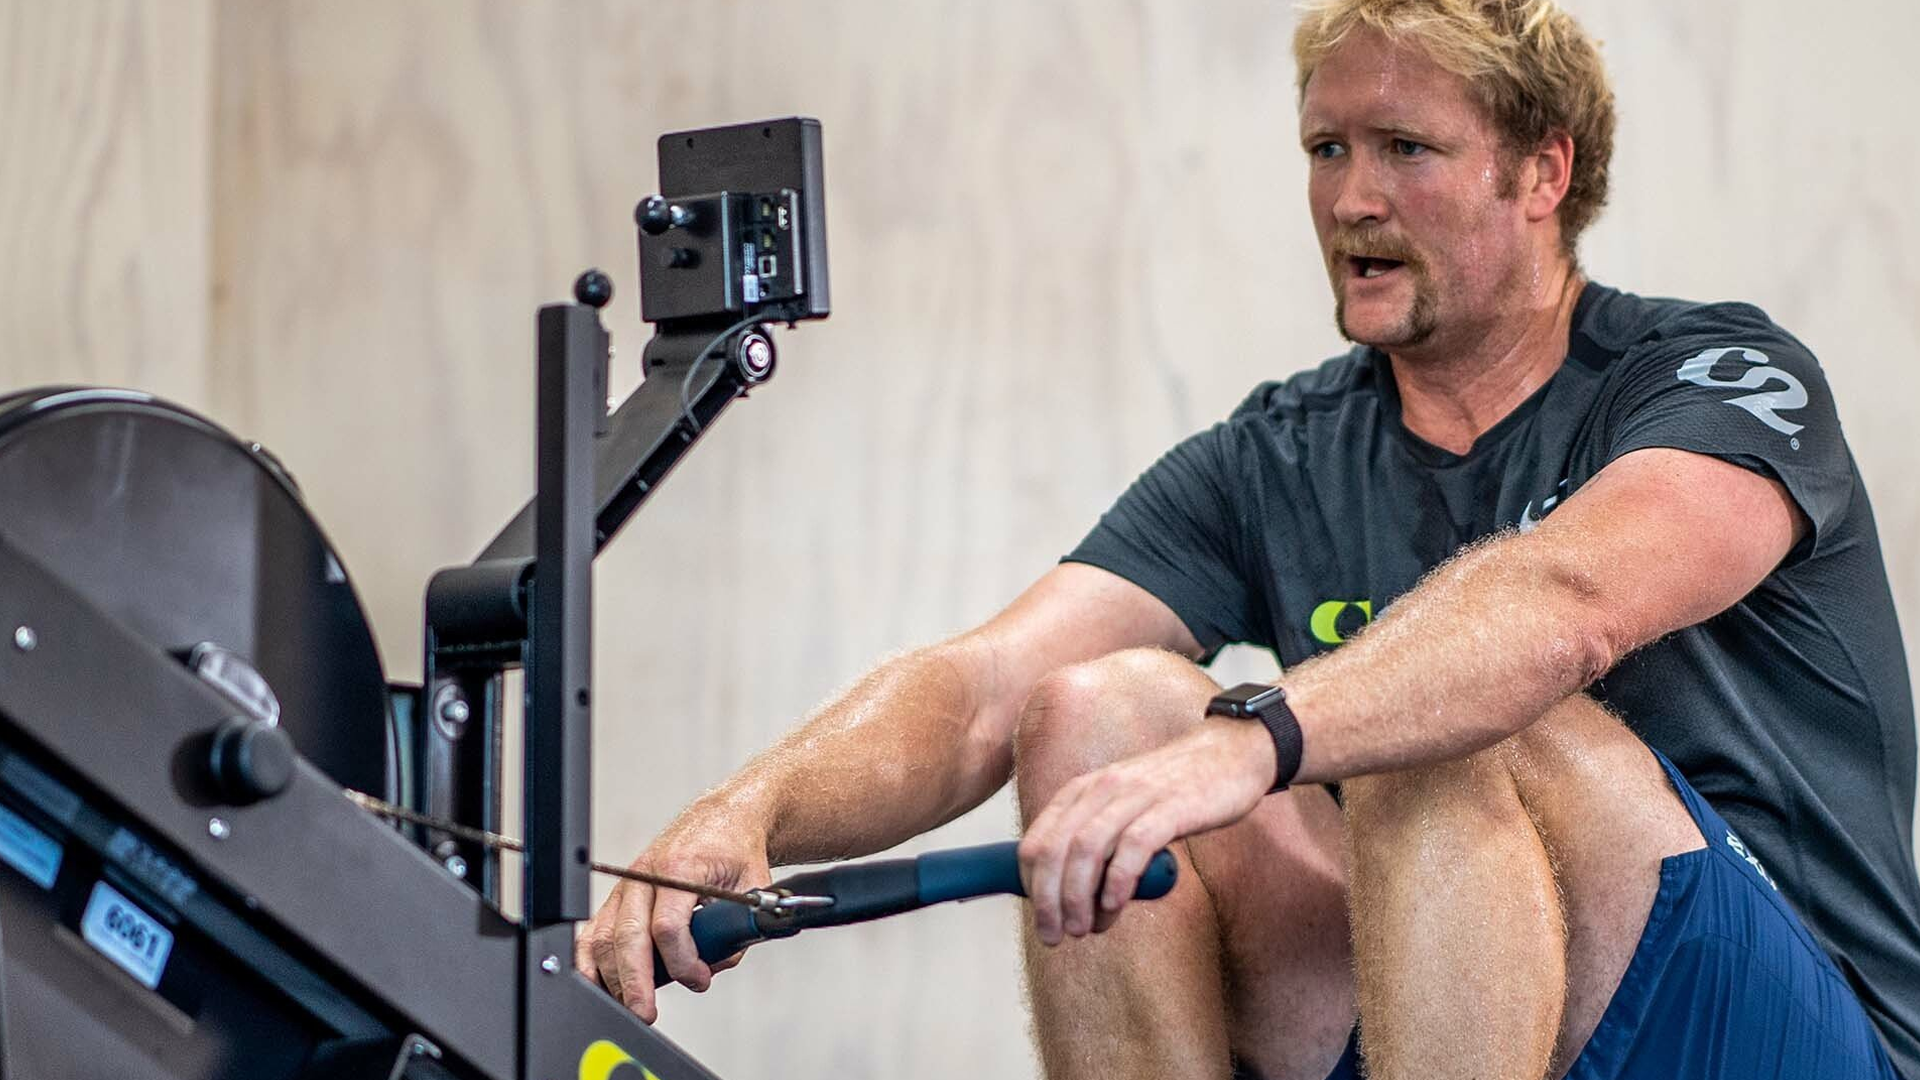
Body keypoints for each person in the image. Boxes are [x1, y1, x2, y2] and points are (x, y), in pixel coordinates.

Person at [578, 1, 1920, 1077]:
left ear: (1541, 172)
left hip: (1784, 1025)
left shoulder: (1716, 376)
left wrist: (1262, 736)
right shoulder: (1274, 455)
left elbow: (1568, 603)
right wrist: (749, 810)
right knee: (1096, 711)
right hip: (1459, 1010)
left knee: (1433, 706)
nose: (1352, 200)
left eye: (1406, 148)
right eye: (1327, 151)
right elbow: (981, 686)